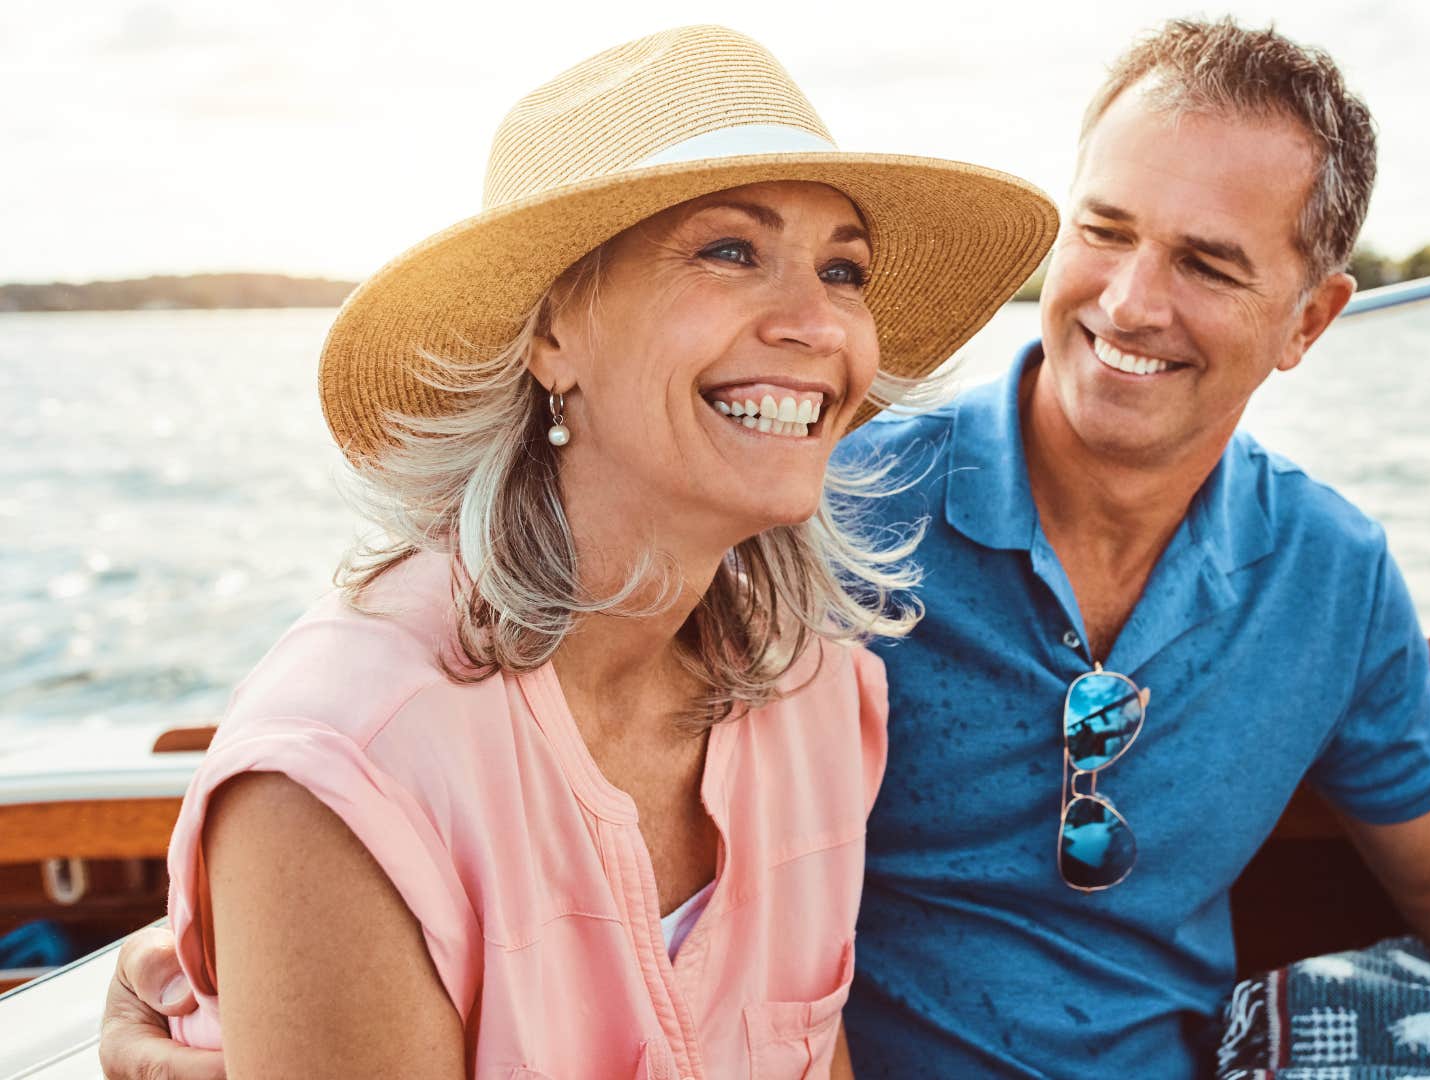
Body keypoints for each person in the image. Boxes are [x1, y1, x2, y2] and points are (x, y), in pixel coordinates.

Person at [101, 16, 1430, 1080]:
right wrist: (241, 963)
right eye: (1107, 230)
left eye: (1211, 263)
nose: (1128, 304)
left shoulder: (821, 647)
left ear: (1311, 320)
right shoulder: (820, 517)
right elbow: (429, 690)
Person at [97, 24, 1052, 1080]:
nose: (819, 324)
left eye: (843, 269)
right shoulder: (347, 766)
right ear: (553, 332)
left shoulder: (818, 697)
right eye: (731, 250)